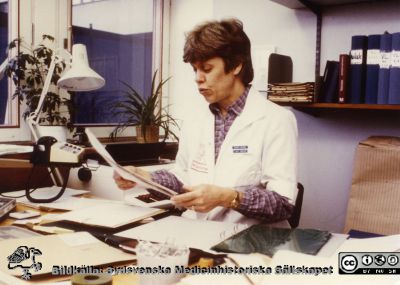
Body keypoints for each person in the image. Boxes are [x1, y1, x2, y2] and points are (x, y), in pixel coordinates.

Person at [114, 18, 298, 227]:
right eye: (195, 69)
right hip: (199, 231)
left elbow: (283, 204)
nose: (198, 78)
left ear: (237, 65)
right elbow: (183, 179)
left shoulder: (276, 119)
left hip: (251, 239)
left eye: (207, 69)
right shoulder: (196, 117)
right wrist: (145, 177)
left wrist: (227, 197)